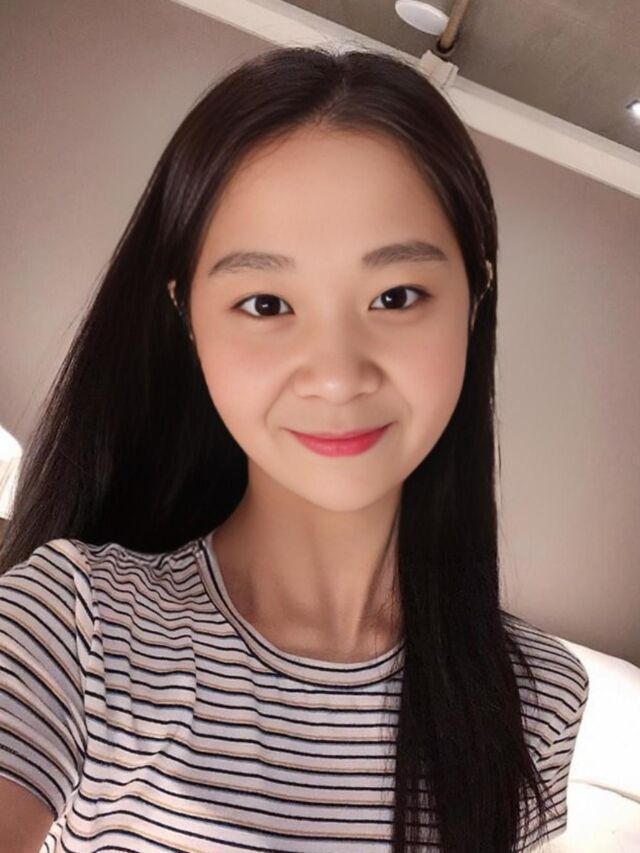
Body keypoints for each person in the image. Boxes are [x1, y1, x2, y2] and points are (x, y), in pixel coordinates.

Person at [0, 46, 589, 853]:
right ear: (187, 315)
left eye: (396, 296)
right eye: (266, 303)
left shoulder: (536, 696)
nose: (338, 376)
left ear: (474, 297)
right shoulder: (73, 625)